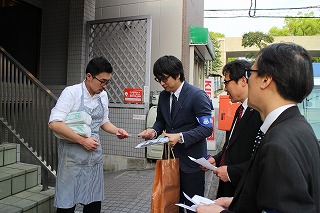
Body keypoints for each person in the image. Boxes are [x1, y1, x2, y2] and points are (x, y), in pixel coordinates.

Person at [197, 42, 320, 213]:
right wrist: (237, 202)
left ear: (265, 80)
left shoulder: (278, 145)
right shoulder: (299, 128)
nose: (247, 81)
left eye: (250, 73)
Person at [48, 56, 129, 213]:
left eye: (108, 82)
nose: (105, 86)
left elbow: (103, 121)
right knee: (67, 205)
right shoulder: (71, 92)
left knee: (93, 204)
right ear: (89, 76)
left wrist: (116, 130)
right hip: (72, 159)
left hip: (94, 159)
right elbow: (54, 123)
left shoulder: (103, 96)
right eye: (102, 81)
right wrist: (82, 141)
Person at [138, 55, 213, 212]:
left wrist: (181, 137)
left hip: (192, 163)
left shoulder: (197, 95)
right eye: (158, 79)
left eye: (164, 78)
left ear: (178, 74)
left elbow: (207, 129)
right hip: (170, 161)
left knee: (194, 206)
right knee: (172, 203)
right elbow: (161, 121)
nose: (162, 83)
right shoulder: (164, 96)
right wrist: (153, 131)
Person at [205, 60, 262, 198]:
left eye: (226, 82)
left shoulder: (259, 113)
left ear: (243, 81)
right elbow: (231, 145)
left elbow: (260, 162)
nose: (225, 88)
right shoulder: (240, 109)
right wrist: (216, 159)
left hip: (242, 190)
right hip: (227, 187)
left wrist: (231, 172)